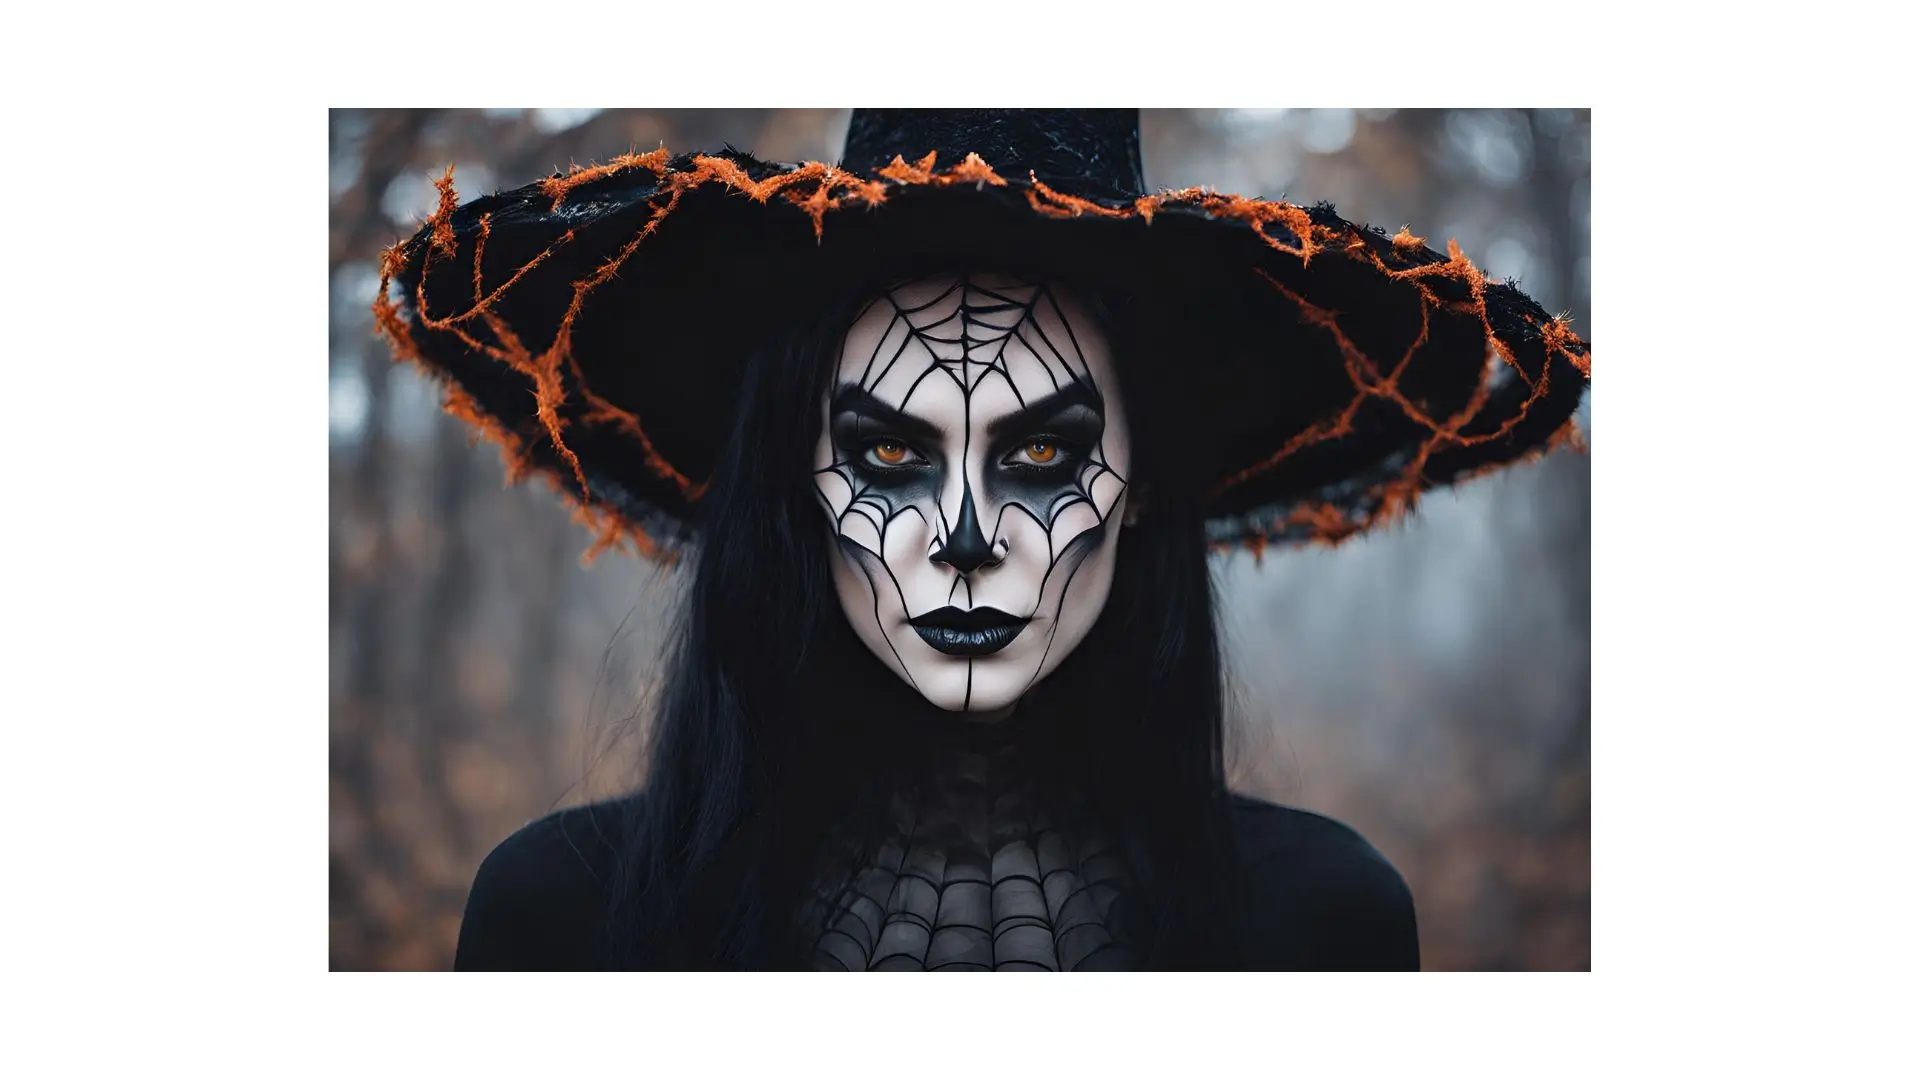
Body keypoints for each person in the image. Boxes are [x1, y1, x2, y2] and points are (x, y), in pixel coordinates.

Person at [374, 109, 1590, 970]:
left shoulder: (1323, 924)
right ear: (795, 484)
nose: (963, 538)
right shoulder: (562, 922)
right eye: (891, 454)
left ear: (1144, 488)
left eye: (1045, 454)